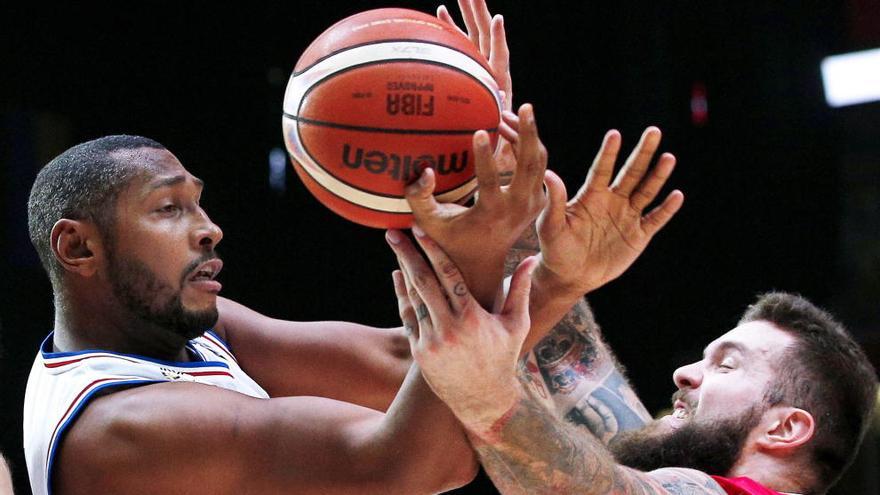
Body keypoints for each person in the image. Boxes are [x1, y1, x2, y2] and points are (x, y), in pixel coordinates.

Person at [390, 120, 879, 494]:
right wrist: (492, 157)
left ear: (786, 427)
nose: (684, 373)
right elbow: (570, 376)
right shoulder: (667, 470)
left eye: (727, 366)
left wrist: (486, 397)